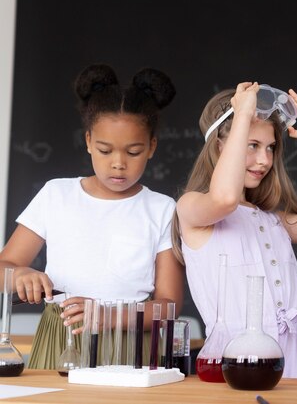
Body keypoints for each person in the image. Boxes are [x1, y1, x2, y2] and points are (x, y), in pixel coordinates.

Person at [0, 64, 184, 369]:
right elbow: (3, 267)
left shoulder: (163, 209)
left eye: (134, 152)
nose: (118, 164)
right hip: (61, 336)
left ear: (151, 147)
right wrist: (19, 274)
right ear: (88, 142)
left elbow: (170, 305)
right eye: (105, 150)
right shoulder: (55, 195)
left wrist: (107, 315)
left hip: (129, 344)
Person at [172, 82, 297, 378]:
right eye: (251, 146)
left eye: (270, 148)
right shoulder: (191, 208)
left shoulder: (272, 220)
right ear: (219, 145)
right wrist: (242, 115)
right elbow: (224, 198)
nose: (264, 160)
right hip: (237, 365)